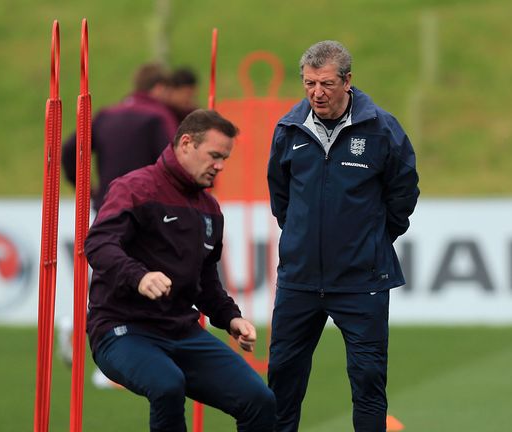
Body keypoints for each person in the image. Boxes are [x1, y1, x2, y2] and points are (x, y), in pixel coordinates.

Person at [85, 109, 276, 431]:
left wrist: (231, 318)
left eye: (225, 158)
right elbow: (99, 244)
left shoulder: (209, 209)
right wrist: (139, 276)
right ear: (186, 143)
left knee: (260, 400)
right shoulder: (134, 188)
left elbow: (206, 280)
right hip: (121, 330)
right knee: (167, 384)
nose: (220, 166)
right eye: (215, 155)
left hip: (180, 331)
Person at [266, 40, 419, 432]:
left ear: (348, 81)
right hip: (299, 280)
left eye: (327, 83)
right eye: (309, 83)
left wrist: (371, 240)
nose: (317, 92)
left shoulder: (382, 129)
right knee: (282, 378)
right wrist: (303, 238)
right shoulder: (287, 129)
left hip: (360, 280)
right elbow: (281, 198)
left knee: (368, 381)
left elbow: (403, 192)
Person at [61, 63, 179, 211]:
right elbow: (173, 164)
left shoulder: (105, 116)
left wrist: (87, 190)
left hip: (108, 206)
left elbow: (70, 151)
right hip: (145, 210)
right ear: (160, 88)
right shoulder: (159, 116)